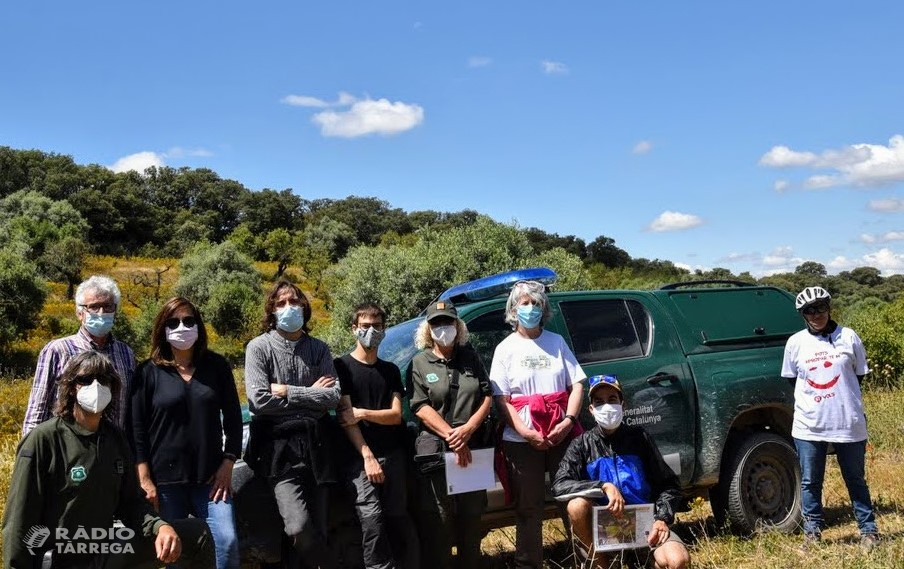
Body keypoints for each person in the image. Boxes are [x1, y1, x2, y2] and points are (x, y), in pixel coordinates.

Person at [2, 351, 215, 569]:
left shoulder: (115, 438)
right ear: (71, 387)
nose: (96, 386)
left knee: (196, 533)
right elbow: (19, 522)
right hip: (61, 556)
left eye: (103, 380)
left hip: (104, 549)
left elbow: (131, 503)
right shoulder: (43, 440)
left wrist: (159, 527)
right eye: (86, 379)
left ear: (113, 388)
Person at [131, 297, 244, 569]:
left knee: (226, 542)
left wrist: (228, 462)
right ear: (163, 329)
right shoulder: (147, 372)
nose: (182, 327)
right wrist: (144, 478)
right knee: (175, 554)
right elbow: (136, 428)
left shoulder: (216, 366)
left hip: (211, 480)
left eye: (188, 320)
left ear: (199, 326)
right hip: (166, 483)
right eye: (174, 322)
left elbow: (233, 418)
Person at [243, 279, 341, 568]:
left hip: (318, 447)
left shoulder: (319, 349)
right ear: (272, 310)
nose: (289, 308)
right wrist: (313, 395)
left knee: (319, 527)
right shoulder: (258, 348)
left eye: (294, 302)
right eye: (281, 303)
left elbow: (334, 396)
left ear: (304, 306)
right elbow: (259, 400)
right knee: (297, 528)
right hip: (278, 452)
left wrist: (287, 391)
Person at [489, 280, 586, 568]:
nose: (530, 308)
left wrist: (568, 421)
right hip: (521, 438)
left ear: (544, 308)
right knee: (528, 507)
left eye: (536, 303)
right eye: (524, 303)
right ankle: (528, 563)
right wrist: (523, 431)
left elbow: (578, 383)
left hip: (561, 432)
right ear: (513, 309)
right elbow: (501, 397)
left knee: (571, 499)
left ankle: (585, 559)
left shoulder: (556, 342)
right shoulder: (505, 348)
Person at [551, 375, 689, 569]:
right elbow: (559, 486)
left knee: (677, 561)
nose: (606, 406)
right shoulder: (581, 444)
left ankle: (644, 559)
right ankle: (602, 564)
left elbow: (669, 484)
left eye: (612, 400)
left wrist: (662, 519)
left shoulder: (640, 438)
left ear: (622, 405)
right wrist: (603, 487)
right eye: (599, 402)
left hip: (645, 524)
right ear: (591, 410)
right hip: (604, 530)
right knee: (576, 506)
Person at [781, 286, 880, 551]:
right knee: (810, 481)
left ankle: (868, 531)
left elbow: (858, 375)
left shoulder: (849, 337)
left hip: (848, 421)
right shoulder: (795, 343)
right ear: (803, 315)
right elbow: (794, 381)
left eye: (821, 308)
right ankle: (812, 533)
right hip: (809, 425)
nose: (816, 315)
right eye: (809, 311)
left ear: (829, 307)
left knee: (855, 479)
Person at [407, 300, 493, 569]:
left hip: (472, 447)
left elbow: (487, 394)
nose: (443, 327)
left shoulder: (471, 356)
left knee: (471, 519)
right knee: (439, 522)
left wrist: (468, 429)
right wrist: (453, 437)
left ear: (458, 325)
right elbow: (419, 406)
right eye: (437, 323)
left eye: (448, 322)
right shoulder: (419, 362)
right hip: (437, 451)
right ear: (428, 328)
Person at [335, 302, 419, 569]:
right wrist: (367, 456)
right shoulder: (342, 366)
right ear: (354, 329)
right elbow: (346, 419)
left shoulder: (390, 370)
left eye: (377, 326)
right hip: (359, 458)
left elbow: (396, 415)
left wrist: (363, 413)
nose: (371, 331)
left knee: (397, 516)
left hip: (393, 455)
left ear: (384, 329)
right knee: (371, 518)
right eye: (365, 326)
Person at [22, 275, 136, 435]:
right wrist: (30, 453)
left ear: (115, 311)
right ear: (79, 313)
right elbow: (37, 409)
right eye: (94, 307)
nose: (101, 312)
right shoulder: (58, 350)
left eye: (108, 306)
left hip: (112, 450)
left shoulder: (126, 353)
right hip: (66, 451)